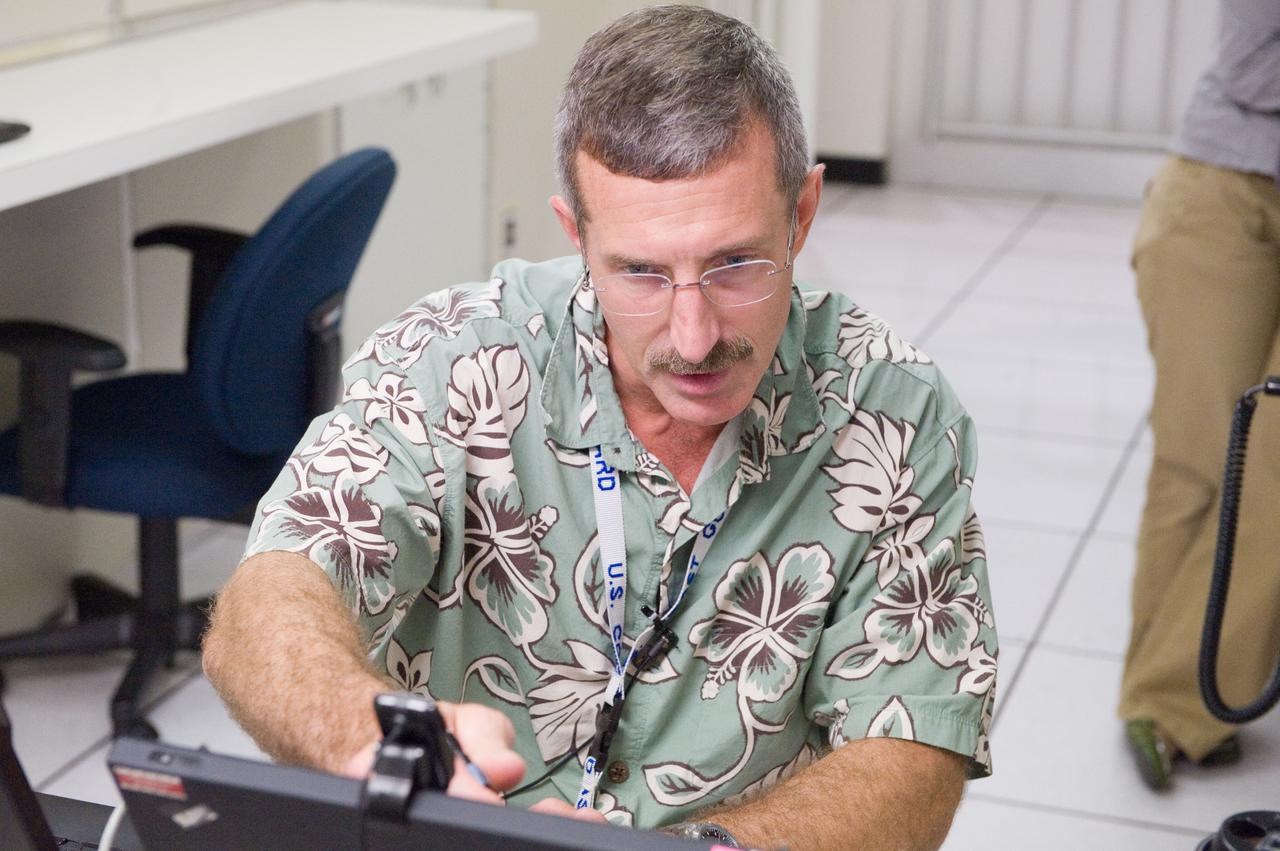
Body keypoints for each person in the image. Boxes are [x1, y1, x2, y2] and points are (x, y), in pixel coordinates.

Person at [203, 6, 996, 849]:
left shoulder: (891, 410)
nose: (693, 338)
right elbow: (272, 596)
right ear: (577, 236)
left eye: (734, 264)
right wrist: (367, 741)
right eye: (641, 273)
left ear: (801, 214)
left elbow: (913, 753)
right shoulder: (452, 360)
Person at [1119, 0, 1280, 791]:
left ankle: (1191, 695)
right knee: (1202, 454)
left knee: (1279, 468)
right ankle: (1168, 699)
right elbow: (1253, 66)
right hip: (1226, 190)